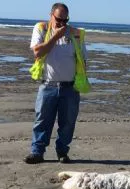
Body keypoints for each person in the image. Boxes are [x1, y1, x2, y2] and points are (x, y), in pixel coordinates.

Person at [25, 3, 90, 164]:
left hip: (70, 86)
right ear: (51, 15)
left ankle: (62, 152)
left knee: (67, 122)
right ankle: (37, 152)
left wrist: (81, 79)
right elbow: (38, 52)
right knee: (42, 120)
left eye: (65, 20)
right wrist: (55, 36)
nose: (62, 23)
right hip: (48, 85)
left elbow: (82, 59)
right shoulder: (42, 28)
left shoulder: (76, 34)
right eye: (58, 19)